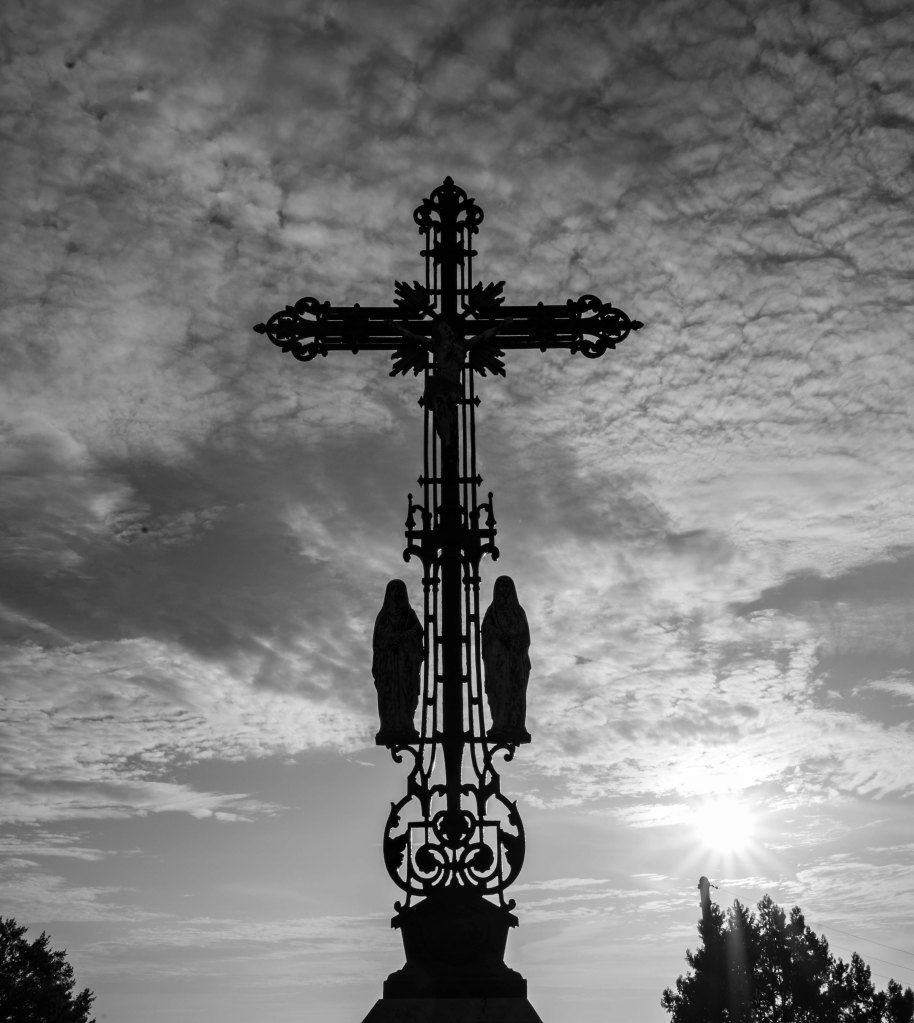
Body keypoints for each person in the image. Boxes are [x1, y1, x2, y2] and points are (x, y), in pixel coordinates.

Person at [372, 580, 424, 745]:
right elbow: (378, 641)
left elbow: (417, 633)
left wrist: (403, 639)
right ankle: (389, 727)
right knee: (388, 695)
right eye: (392, 589)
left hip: (404, 664)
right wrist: (391, 640)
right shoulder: (383, 617)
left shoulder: (409, 616)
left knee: (406, 694)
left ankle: (406, 725)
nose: (395, 593)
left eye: (398, 590)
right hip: (388, 666)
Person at [481, 575, 532, 744]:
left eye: (506, 586)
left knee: (515, 694)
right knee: (499, 692)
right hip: (499, 662)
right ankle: (500, 724)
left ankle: (516, 726)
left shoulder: (518, 612)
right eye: (501, 586)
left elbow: (525, 637)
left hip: (516, 662)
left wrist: (514, 643)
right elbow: (487, 632)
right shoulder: (492, 612)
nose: (503, 590)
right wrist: (500, 637)